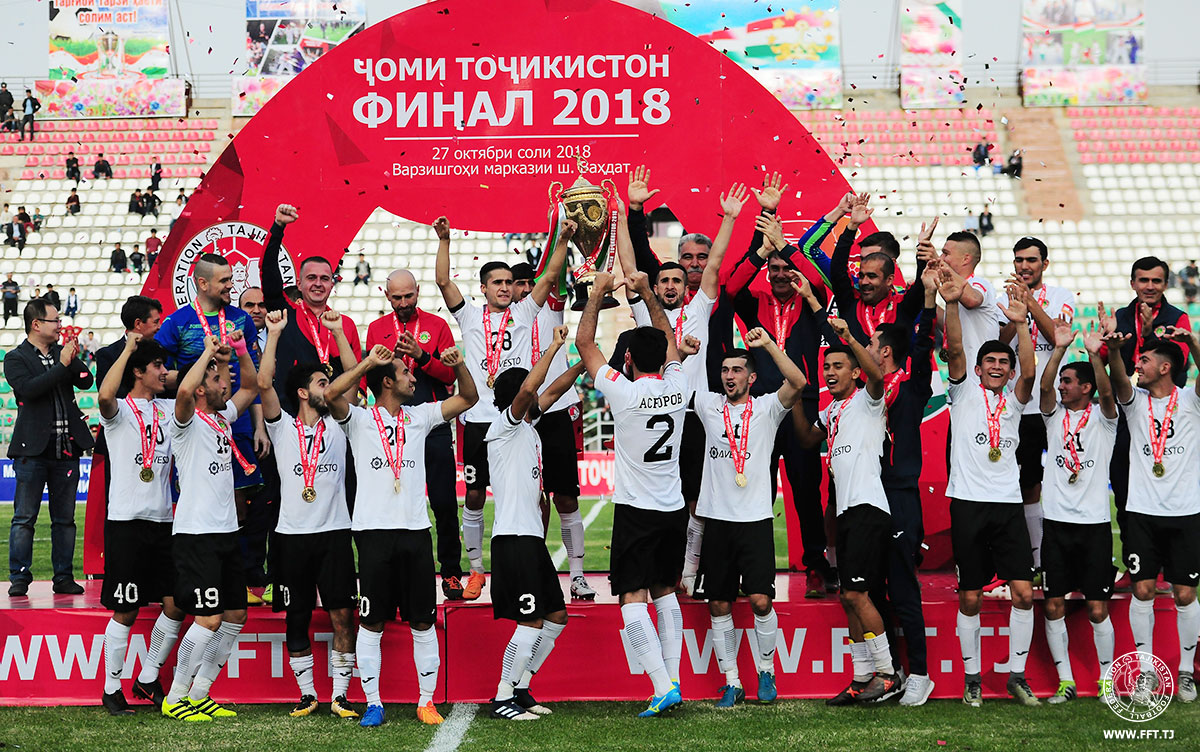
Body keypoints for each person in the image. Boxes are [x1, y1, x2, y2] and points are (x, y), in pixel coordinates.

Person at [324, 342, 478, 727]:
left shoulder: (420, 416)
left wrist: (459, 366)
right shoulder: (359, 419)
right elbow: (330, 394)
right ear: (388, 382)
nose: (413, 377)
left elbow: (469, 398)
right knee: (372, 621)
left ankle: (426, 701)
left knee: (423, 621)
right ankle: (374, 703)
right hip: (373, 533)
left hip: (415, 531)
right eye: (406, 373)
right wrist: (367, 363)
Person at [612, 185, 746, 596]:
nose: (670, 285)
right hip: (652, 416)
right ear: (656, 286)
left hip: (694, 415)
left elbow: (715, 262)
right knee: (656, 498)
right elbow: (629, 263)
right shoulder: (644, 309)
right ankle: (664, 569)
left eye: (676, 280)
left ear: (687, 286)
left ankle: (688, 571)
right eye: (664, 280)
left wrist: (729, 219)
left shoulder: (701, 306)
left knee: (697, 498)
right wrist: (623, 215)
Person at [435, 214, 572, 600]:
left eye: (509, 282)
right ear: (483, 288)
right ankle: (477, 571)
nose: (505, 287)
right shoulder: (469, 315)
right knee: (475, 495)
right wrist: (444, 240)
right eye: (497, 282)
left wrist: (562, 239)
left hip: (519, 419)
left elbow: (549, 277)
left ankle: (535, 558)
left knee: (533, 493)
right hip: (479, 419)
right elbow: (443, 281)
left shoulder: (524, 312)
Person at [576, 269, 688, 718]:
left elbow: (585, 344)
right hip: (674, 507)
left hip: (637, 510)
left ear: (627, 360)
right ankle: (673, 679)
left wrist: (598, 292)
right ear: (664, 359)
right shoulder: (679, 385)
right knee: (665, 592)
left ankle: (661, 686)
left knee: (630, 597)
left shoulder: (622, 391)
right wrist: (645, 292)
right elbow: (669, 338)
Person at [725, 181, 835, 597]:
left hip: (802, 406)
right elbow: (731, 285)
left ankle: (815, 567)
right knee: (756, 491)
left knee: (806, 492)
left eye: (787, 269)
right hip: (760, 408)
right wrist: (762, 244)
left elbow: (817, 276)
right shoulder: (753, 300)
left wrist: (784, 245)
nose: (781, 275)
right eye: (774, 269)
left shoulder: (811, 299)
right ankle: (754, 572)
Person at [941, 271, 1040, 707]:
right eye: (990, 362)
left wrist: (1021, 322)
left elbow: (1031, 371)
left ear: (1009, 370)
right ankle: (972, 679)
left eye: (1004, 362)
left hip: (1007, 505)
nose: (997, 367)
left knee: (1023, 593)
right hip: (968, 504)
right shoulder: (963, 392)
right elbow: (955, 348)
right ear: (979, 369)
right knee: (970, 596)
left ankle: (1017, 676)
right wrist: (950, 303)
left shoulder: (1015, 401)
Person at [691, 327, 804, 707]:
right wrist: (687, 353)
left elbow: (798, 382)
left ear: (751, 377)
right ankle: (732, 682)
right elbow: (678, 379)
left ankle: (766, 671)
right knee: (719, 603)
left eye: (737, 370)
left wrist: (768, 344)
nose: (729, 376)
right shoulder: (709, 405)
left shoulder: (768, 408)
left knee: (760, 601)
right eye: (725, 370)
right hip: (717, 520)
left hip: (755, 519)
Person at [258, 309, 361, 719]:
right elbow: (263, 383)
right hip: (290, 536)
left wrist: (337, 333)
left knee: (342, 615)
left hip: (334, 533)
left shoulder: (340, 423)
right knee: (296, 616)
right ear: (303, 393)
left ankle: (340, 695)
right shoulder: (282, 426)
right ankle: (307, 694)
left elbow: (354, 380)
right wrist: (274, 335)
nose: (329, 387)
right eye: (321, 383)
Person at [794, 319, 902, 705]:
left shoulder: (867, 400)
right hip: (847, 513)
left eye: (838, 366)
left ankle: (888, 674)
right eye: (826, 366)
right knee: (848, 597)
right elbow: (807, 439)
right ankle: (860, 677)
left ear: (855, 373)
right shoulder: (832, 410)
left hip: (868, 508)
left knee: (857, 593)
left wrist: (849, 339)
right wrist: (795, 398)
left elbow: (877, 376)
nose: (830, 372)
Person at [161, 331, 260, 721]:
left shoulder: (222, 418)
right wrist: (207, 354)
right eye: (219, 379)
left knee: (235, 616)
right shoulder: (185, 422)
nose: (226, 384)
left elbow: (251, 386)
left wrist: (240, 351)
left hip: (225, 532)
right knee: (209, 618)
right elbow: (185, 390)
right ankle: (175, 697)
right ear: (203, 388)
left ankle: (200, 693)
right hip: (196, 533)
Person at [485, 325, 579, 720]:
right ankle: (502, 696)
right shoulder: (504, 427)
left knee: (556, 617)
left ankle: (521, 687)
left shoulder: (527, 427)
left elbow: (552, 391)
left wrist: (585, 363)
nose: (537, 393)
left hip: (531, 539)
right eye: (529, 389)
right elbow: (531, 390)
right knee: (531, 619)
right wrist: (554, 345)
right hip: (514, 538)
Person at [1105, 326, 1200, 704]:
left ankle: (1186, 672)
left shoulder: (1190, 401)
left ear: (1165, 367)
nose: (1138, 366)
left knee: (1185, 593)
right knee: (1142, 589)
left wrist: (1191, 343)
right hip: (1142, 512)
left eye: (1144, 360)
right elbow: (1118, 381)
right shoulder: (1136, 402)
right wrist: (1114, 351)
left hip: (1186, 512)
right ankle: (1146, 671)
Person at [96, 334, 186, 715]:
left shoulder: (168, 408)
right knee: (126, 609)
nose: (165, 372)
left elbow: (188, 382)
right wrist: (129, 349)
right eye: (158, 367)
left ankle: (148, 677)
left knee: (177, 604)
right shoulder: (118, 411)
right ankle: (111, 688)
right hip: (126, 523)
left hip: (164, 522)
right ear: (137, 372)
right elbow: (103, 395)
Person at [865, 265, 939, 707]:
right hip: (868, 497)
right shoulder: (864, 393)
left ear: (887, 351)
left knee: (903, 589)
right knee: (874, 589)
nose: (865, 349)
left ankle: (921, 675)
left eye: (871, 344)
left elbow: (923, 345)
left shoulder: (911, 389)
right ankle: (891, 671)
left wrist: (928, 300)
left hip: (900, 497)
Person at [365, 269, 464, 599]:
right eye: (397, 297)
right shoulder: (377, 329)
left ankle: (451, 572)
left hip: (431, 423)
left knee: (444, 502)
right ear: (387, 296)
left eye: (409, 296)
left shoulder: (437, 326)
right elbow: (371, 378)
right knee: (393, 502)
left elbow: (450, 376)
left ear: (418, 291)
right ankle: (394, 572)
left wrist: (421, 356)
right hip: (392, 429)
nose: (404, 302)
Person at [156, 253, 265, 547]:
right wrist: (199, 374)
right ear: (203, 284)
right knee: (200, 493)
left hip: (235, 418)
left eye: (231, 278)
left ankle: (241, 569)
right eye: (224, 280)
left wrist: (260, 426)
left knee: (242, 503)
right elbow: (159, 376)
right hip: (195, 424)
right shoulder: (177, 323)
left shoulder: (241, 319)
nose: (231, 285)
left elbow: (252, 380)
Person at [1036, 322, 1119, 705]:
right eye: (1062, 381)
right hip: (1056, 524)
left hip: (1093, 526)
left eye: (1069, 381)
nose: (1062, 386)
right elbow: (1043, 389)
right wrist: (1059, 349)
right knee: (1053, 605)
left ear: (1086, 387)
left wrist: (1094, 355)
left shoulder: (1104, 420)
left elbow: (1108, 392)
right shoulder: (1054, 417)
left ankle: (1106, 680)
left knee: (1097, 608)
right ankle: (1065, 682)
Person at [1103, 256, 1192, 586]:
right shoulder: (1121, 317)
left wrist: (1152, 333)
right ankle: (1135, 564)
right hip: (1131, 412)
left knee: (1172, 488)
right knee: (1124, 485)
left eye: (1156, 281)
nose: (1150, 286)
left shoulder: (1177, 317)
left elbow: (1177, 363)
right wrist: (1105, 341)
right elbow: (1109, 360)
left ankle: (1169, 567)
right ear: (1133, 283)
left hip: (1169, 415)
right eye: (1143, 280)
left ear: (1166, 284)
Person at [508, 262, 592, 600]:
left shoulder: (551, 306)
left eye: (532, 282)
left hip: (557, 411)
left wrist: (562, 234)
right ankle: (536, 573)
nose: (527, 289)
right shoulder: (500, 319)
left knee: (566, 497)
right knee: (531, 500)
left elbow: (553, 273)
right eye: (519, 283)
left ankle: (578, 576)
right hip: (520, 413)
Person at [997, 237, 1076, 580]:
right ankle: (1037, 560)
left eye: (1031, 260)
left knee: (1064, 479)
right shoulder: (1003, 298)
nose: (1024, 266)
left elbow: (1057, 335)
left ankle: (1070, 558)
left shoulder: (1061, 296)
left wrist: (1029, 302)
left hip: (1056, 406)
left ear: (1045, 264)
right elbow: (998, 347)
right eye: (1019, 260)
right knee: (1026, 483)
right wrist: (1014, 314)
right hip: (1019, 407)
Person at [5, 300, 94, 597]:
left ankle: (64, 577)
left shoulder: (61, 353)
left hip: (66, 448)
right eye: (55, 321)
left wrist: (72, 359)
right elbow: (30, 390)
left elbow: (86, 381)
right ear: (36, 324)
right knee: (24, 518)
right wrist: (62, 366)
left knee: (65, 520)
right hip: (32, 451)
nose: (60, 325)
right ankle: (19, 577)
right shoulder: (15, 358)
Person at [260, 204, 362, 411]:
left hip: (334, 417)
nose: (318, 284)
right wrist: (278, 227)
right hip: (291, 416)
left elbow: (356, 375)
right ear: (299, 284)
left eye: (324, 279)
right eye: (311, 278)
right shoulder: (284, 315)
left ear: (332, 285)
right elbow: (268, 270)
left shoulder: (346, 325)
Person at [95, 296, 163, 396]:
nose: (159, 326)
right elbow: (107, 395)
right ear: (138, 323)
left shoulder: (160, 349)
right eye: (155, 322)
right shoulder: (107, 355)